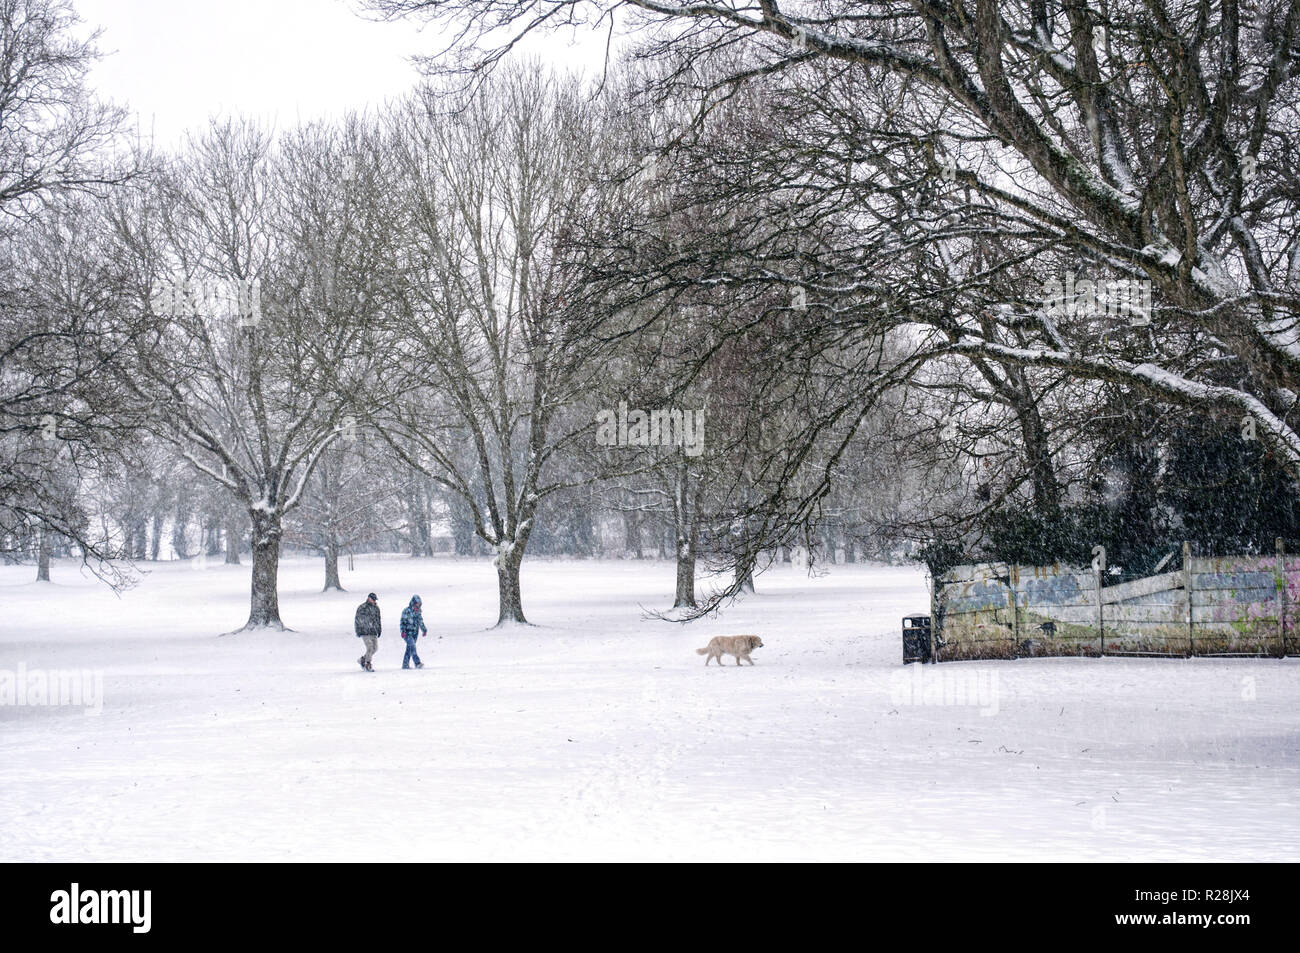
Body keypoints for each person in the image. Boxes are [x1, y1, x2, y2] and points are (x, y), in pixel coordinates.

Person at [399, 595, 428, 669]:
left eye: (419, 604)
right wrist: (403, 631)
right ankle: (417, 663)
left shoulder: (418, 612)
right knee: (412, 646)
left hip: (415, 634)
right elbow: (402, 622)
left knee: (409, 649)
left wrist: (424, 630)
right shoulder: (406, 611)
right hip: (407, 633)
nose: (417, 605)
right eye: (416, 603)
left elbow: (420, 622)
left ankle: (405, 665)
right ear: (413, 603)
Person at [354, 592, 381, 672]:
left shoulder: (376, 608)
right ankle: (368, 663)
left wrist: (379, 629)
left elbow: (378, 619)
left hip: (373, 631)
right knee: (369, 647)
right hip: (365, 631)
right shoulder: (362, 607)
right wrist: (358, 630)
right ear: (369, 598)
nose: (374, 601)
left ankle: (363, 659)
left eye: (375, 600)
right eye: (373, 599)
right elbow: (357, 619)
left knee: (375, 648)